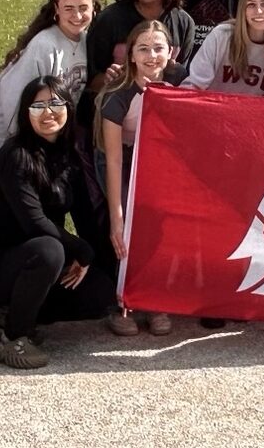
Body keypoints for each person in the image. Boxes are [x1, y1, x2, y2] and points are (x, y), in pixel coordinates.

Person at [0, 77, 117, 368]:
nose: (48, 112)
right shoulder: (15, 155)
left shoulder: (69, 156)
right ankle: (13, 338)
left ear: (69, 109)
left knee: (101, 292)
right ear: (26, 112)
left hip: (39, 264)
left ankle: (17, 312)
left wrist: (109, 262)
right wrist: (81, 251)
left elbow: (86, 217)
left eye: (56, 103)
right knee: (49, 249)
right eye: (38, 105)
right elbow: (34, 222)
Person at [99, 21, 180, 335]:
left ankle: (157, 300)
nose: (151, 55)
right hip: (122, 158)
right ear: (130, 55)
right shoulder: (118, 95)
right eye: (143, 48)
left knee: (159, 228)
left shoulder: (179, 79)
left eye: (158, 48)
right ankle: (122, 302)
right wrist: (116, 215)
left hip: (160, 159)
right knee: (126, 234)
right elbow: (113, 158)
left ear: (170, 52)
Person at [0, 0, 102, 169]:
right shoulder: (44, 45)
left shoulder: (86, 41)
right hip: (5, 135)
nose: (77, 16)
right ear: (56, 9)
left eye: (83, 8)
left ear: (94, 8)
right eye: (69, 8)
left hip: (43, 128)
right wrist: (26, 149)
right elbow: (15, 100)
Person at [88, 0, 195, 96]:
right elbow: (90, 81)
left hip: (158, 110)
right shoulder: (109, 20)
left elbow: (180, 78)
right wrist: (110, 80)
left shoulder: (184, 23)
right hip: (115, 111)